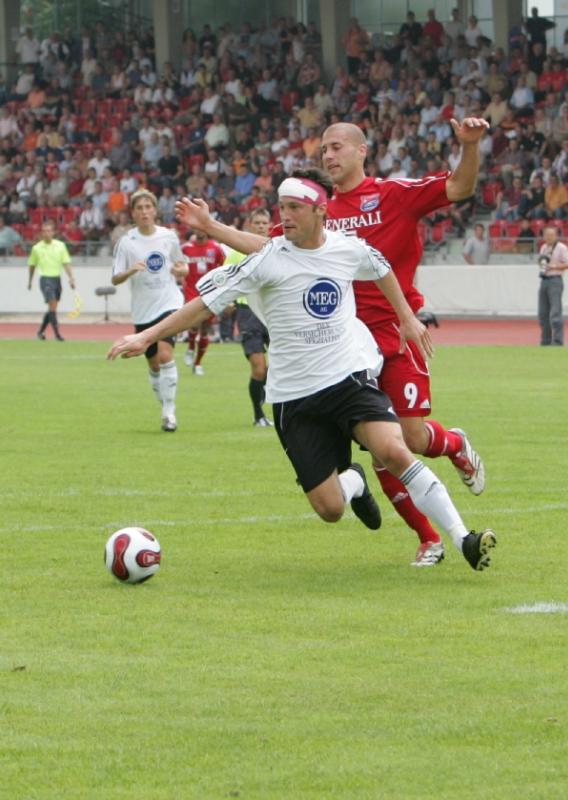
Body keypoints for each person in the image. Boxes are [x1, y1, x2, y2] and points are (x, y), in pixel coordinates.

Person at [109, 170, 496, 572]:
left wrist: (407, 317)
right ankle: (355, 481)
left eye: (294, 207)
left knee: (394, 450)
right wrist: (146, 336)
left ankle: (463, 538)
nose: (285, 215)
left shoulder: (347, 248)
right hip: (295, 398)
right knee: (330, 509)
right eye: (282, 207)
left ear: (319, 211)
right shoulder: (266, 261)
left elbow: (381, 267)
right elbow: (204, 304)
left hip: (349, 380)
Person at [111, 189, 188, 432]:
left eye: (148, 207)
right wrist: (131, 270)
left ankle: (169, 412)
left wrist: (182, 270)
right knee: (154, 364)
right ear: (133, 213)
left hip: (169, 303)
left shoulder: (168, 237)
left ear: (155, 210)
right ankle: (164, 404)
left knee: (165, 355)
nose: (144, 212)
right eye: (139, 208)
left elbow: (182, 265)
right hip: (144, 310)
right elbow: (115, 278)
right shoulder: (127, 242)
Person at [224, 208, 273, 427]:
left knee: (281, 366)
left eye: (264, 223)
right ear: (249, 225)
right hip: (247, 312)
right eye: (257, 223)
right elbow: (225, 277)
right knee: (258, 368)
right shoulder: (237, 251)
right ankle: (258, 415)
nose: (261, 226)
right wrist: (227, 300)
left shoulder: (276, 249)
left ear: (270, 225)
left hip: (272, 311)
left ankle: (269, 397)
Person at [180, 228, 226, 375]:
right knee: (194, 324)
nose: (200, 231)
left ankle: (198, 363)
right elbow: (178, 265)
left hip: (210, 293)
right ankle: (191, 347)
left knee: (205, 329)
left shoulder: (216, 248)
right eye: (197, 228)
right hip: (192, 292)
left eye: (202, 228)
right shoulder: (186, 248)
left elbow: (224, 269)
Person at [27, 220, 75, 341]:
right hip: (45, 279)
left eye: (49, 231)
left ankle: (40, 332)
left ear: (53, 232)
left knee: (52, 308)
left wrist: (71, 278)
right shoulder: (36, 248)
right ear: (41, 233)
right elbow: (32, 266)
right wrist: (30, 281)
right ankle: (57, 334)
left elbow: (66, 263)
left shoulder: (60, 246)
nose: (47, 233)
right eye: (44, 231)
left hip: (56, 279)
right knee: (52, 304)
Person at [537, 226, 568, 346]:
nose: (549, 237)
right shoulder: (543, 247)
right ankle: (545, 341)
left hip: (555, 280)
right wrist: (542, 265)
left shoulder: (561, 247)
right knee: (543, 313)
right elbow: (542, 261)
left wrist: (554, 266)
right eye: (547, 235)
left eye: (551, 235)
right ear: (543, 236)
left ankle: (558, 341)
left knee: (555, 313)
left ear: (556, 236)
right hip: (544, 280)